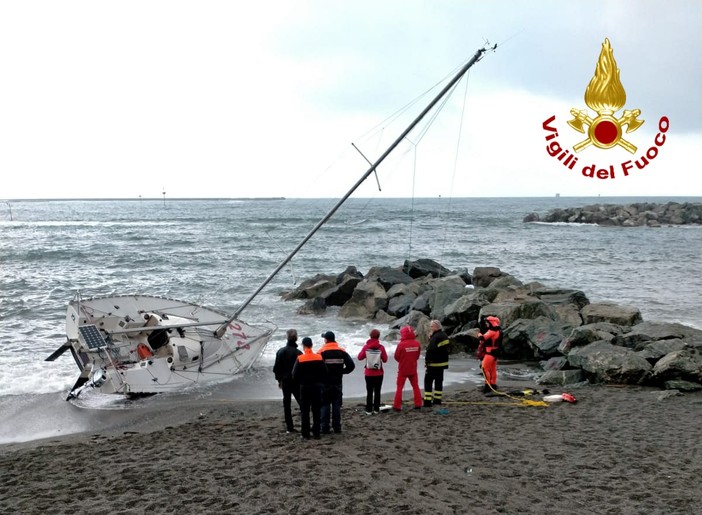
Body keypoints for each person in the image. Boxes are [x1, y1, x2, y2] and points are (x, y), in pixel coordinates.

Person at [318, 331, 355, 434]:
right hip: (337, 382)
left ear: (326, 340)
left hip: (325, 383)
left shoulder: (321, 352)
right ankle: (337, 427)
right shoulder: (341, 351)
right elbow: (351, 366)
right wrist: (342, 372)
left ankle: (325, 428)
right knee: (336, 405)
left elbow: (317, 367)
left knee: (325, 405)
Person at [291, 337, 327, 440]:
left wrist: (301, 381)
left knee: (305, 411)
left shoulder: (300, 358)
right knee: (316, 410)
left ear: (303, 346)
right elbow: (325, 371)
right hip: (317, 387)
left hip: (305, 387)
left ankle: (305, 434)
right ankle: (316, 433)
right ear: (311, 345)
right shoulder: (319, 357)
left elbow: (294, 374)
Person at [272, 328, 302, 433]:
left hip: (285, 381)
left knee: (287, 405)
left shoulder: (281, 351)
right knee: (302, 403)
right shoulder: (299, 353)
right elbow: (302, 369)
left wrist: (279, 380)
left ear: (287, 337)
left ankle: (290, 428)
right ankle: (305, 425)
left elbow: (276, 368)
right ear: (296, 338)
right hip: (297, 382)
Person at [357, 328, 388, 415]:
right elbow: (385, 360)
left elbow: (359, 357)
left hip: (368, 373)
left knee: (369, 391)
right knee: (377, 391)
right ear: (378, 337)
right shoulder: (381, 347)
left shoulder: (366, 347)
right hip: (379, 373)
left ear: (370, 336)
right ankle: (376, 409)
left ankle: (369, 410)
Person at [393, 325, 423, 411]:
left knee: (399, 387)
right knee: (415, 386)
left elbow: (396, 356)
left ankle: (397, 405)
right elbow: (417, 356)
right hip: (413, 368)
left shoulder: (401, 345)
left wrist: (402, 361)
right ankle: (418, 404)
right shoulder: (417, 344)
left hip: (403, 369)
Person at [423, 319, 450, 407]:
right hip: (442, 364)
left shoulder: (436, 337)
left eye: (432, 326)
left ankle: (427, 401)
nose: (430, 328)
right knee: (439, 382)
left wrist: (427, 361)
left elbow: (431, 350)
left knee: (428, 381)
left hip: (433, 364)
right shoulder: (444, 335)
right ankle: (437, 400)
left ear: (436, 327)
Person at [476, 315, 503, 394]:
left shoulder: (491, 331)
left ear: (491, 323)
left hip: (489, 353)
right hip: (495, 353)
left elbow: (482, 338)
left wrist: (479, 334)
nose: (486, 324)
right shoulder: (499, 331)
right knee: (493, 369)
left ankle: (487, 386)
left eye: (487, 322)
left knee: (485, 368)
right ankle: (493, 384)